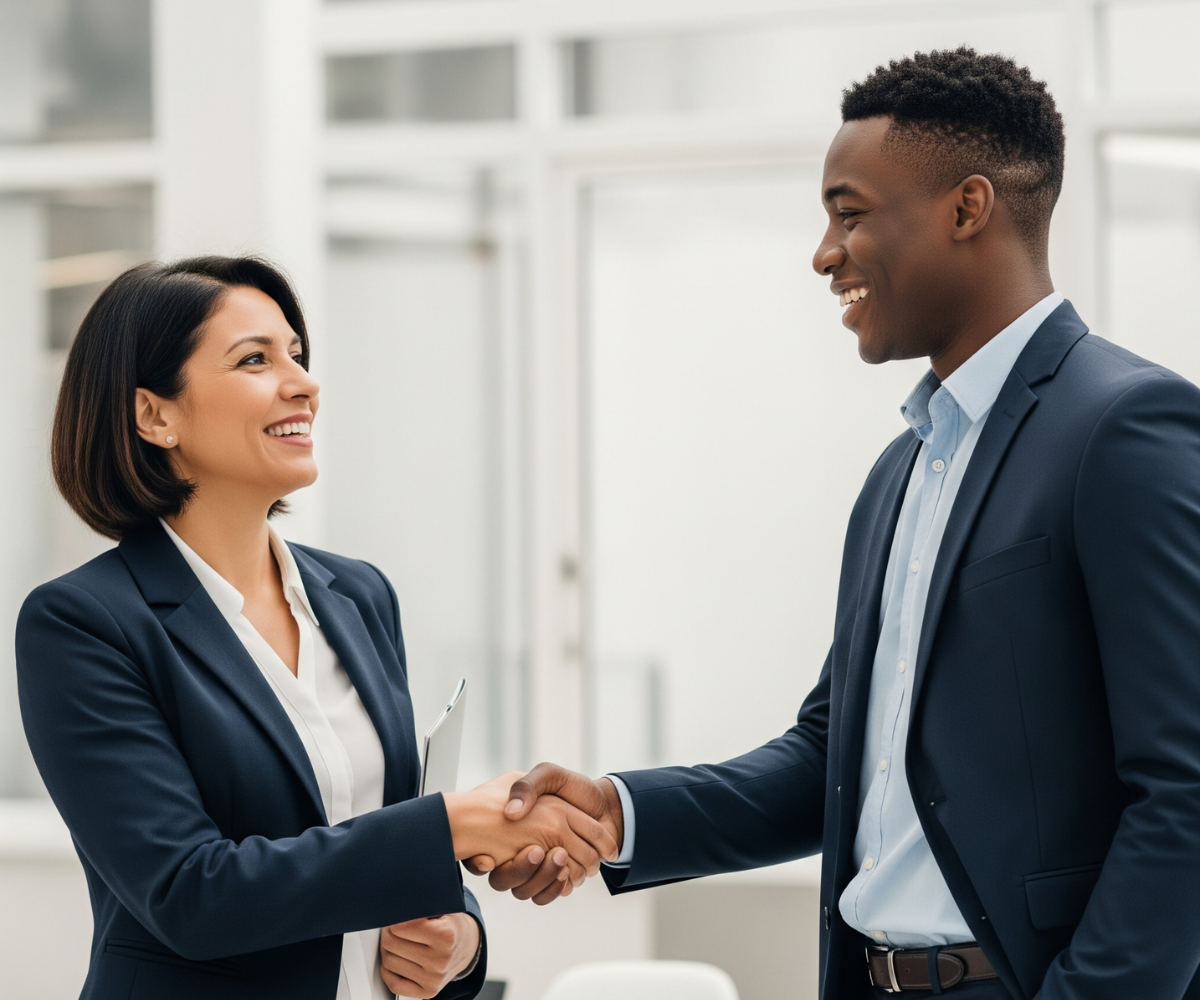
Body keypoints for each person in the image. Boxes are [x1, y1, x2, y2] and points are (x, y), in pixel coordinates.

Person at [469, 48, 1200, 999]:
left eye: (848, 214)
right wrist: (616, 812)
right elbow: (833, 755)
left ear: (967, 208)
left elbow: (1186, 791)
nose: (823, 253)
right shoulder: (902, 471)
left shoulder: (1124, 428)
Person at [16, 256, 616, 1000]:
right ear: (155, 415)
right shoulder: (84, 623)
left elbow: (381, 836)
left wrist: (456, 942)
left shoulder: (358, 595)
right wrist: (450, 827)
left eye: (297, 354)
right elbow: (190, 895)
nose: (303, 382)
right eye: (255, 360)